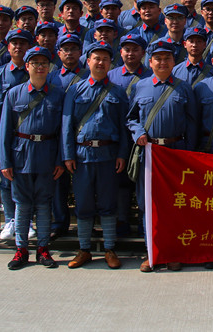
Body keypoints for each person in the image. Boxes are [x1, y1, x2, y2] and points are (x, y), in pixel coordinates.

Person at [126, 39, 199, 272]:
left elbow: (192, 124)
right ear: (150, 62)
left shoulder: (184, 87)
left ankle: (172, 252)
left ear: (173, 61)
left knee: (175, 205)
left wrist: (189, 155)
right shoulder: (141, 86)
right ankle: (151, 253)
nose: (163, 62)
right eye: (158, 58)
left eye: (167, 58)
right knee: (148, 205)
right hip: (149, 154)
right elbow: (131, 118)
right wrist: (138, 132)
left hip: (175, 154)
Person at [62, 41, 129, 269]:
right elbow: (67, 125)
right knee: (84, 203)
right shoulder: (75, 90)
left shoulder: (118, 92)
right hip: (82, 155)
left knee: (109, 203)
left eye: (105, 59)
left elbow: (123, 126)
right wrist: (68, 154)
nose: (100, 63)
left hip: (109, 155)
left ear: (111, 63)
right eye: (96, 58)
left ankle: (110, 249)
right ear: (88, 61)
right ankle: (84, 250)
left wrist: (122, 154)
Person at [0, 46, 65, 270]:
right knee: (23, 205)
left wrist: (59, 160)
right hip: (21, 156)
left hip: (47, 155)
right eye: (35, 63)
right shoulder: (13, 94)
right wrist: (5, 162)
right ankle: (21, 249)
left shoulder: (58, 94)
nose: (39, 67)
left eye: (43, 64)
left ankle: (43, 249)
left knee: (44, 205)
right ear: (26, 66)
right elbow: (5, 131)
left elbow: (62, 131)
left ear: (49, 67)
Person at [0, 28, 35, 240]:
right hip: (3, 132)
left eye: (23, 43)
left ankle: (26, 220)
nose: (18, 47)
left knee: (27, 177)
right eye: (14, 43)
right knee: (5, 177)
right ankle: (10, 219)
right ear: (8, 47)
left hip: (27, 134)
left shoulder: (35, 71)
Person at [108, 34, 151, 237]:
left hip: (144, 137)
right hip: (118, 136)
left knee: (145, 183)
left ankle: (145, 225)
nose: (131, 53)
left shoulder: (151, 75)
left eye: (135, 49)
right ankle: (122, 221)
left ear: (143, 53)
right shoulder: (111, 76)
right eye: (127, 49)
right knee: (120, 182)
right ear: (121, 52)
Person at [46, 33, 88, 237]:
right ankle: (59, 222)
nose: (70, 53)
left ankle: (86, 225)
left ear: (81, 53)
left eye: (74, 49)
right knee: (58, 181)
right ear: (59, 53)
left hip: (83, 137)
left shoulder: (90, 75)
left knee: (84, 185)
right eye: (66, 49)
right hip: (56, 136)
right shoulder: (51, 77)